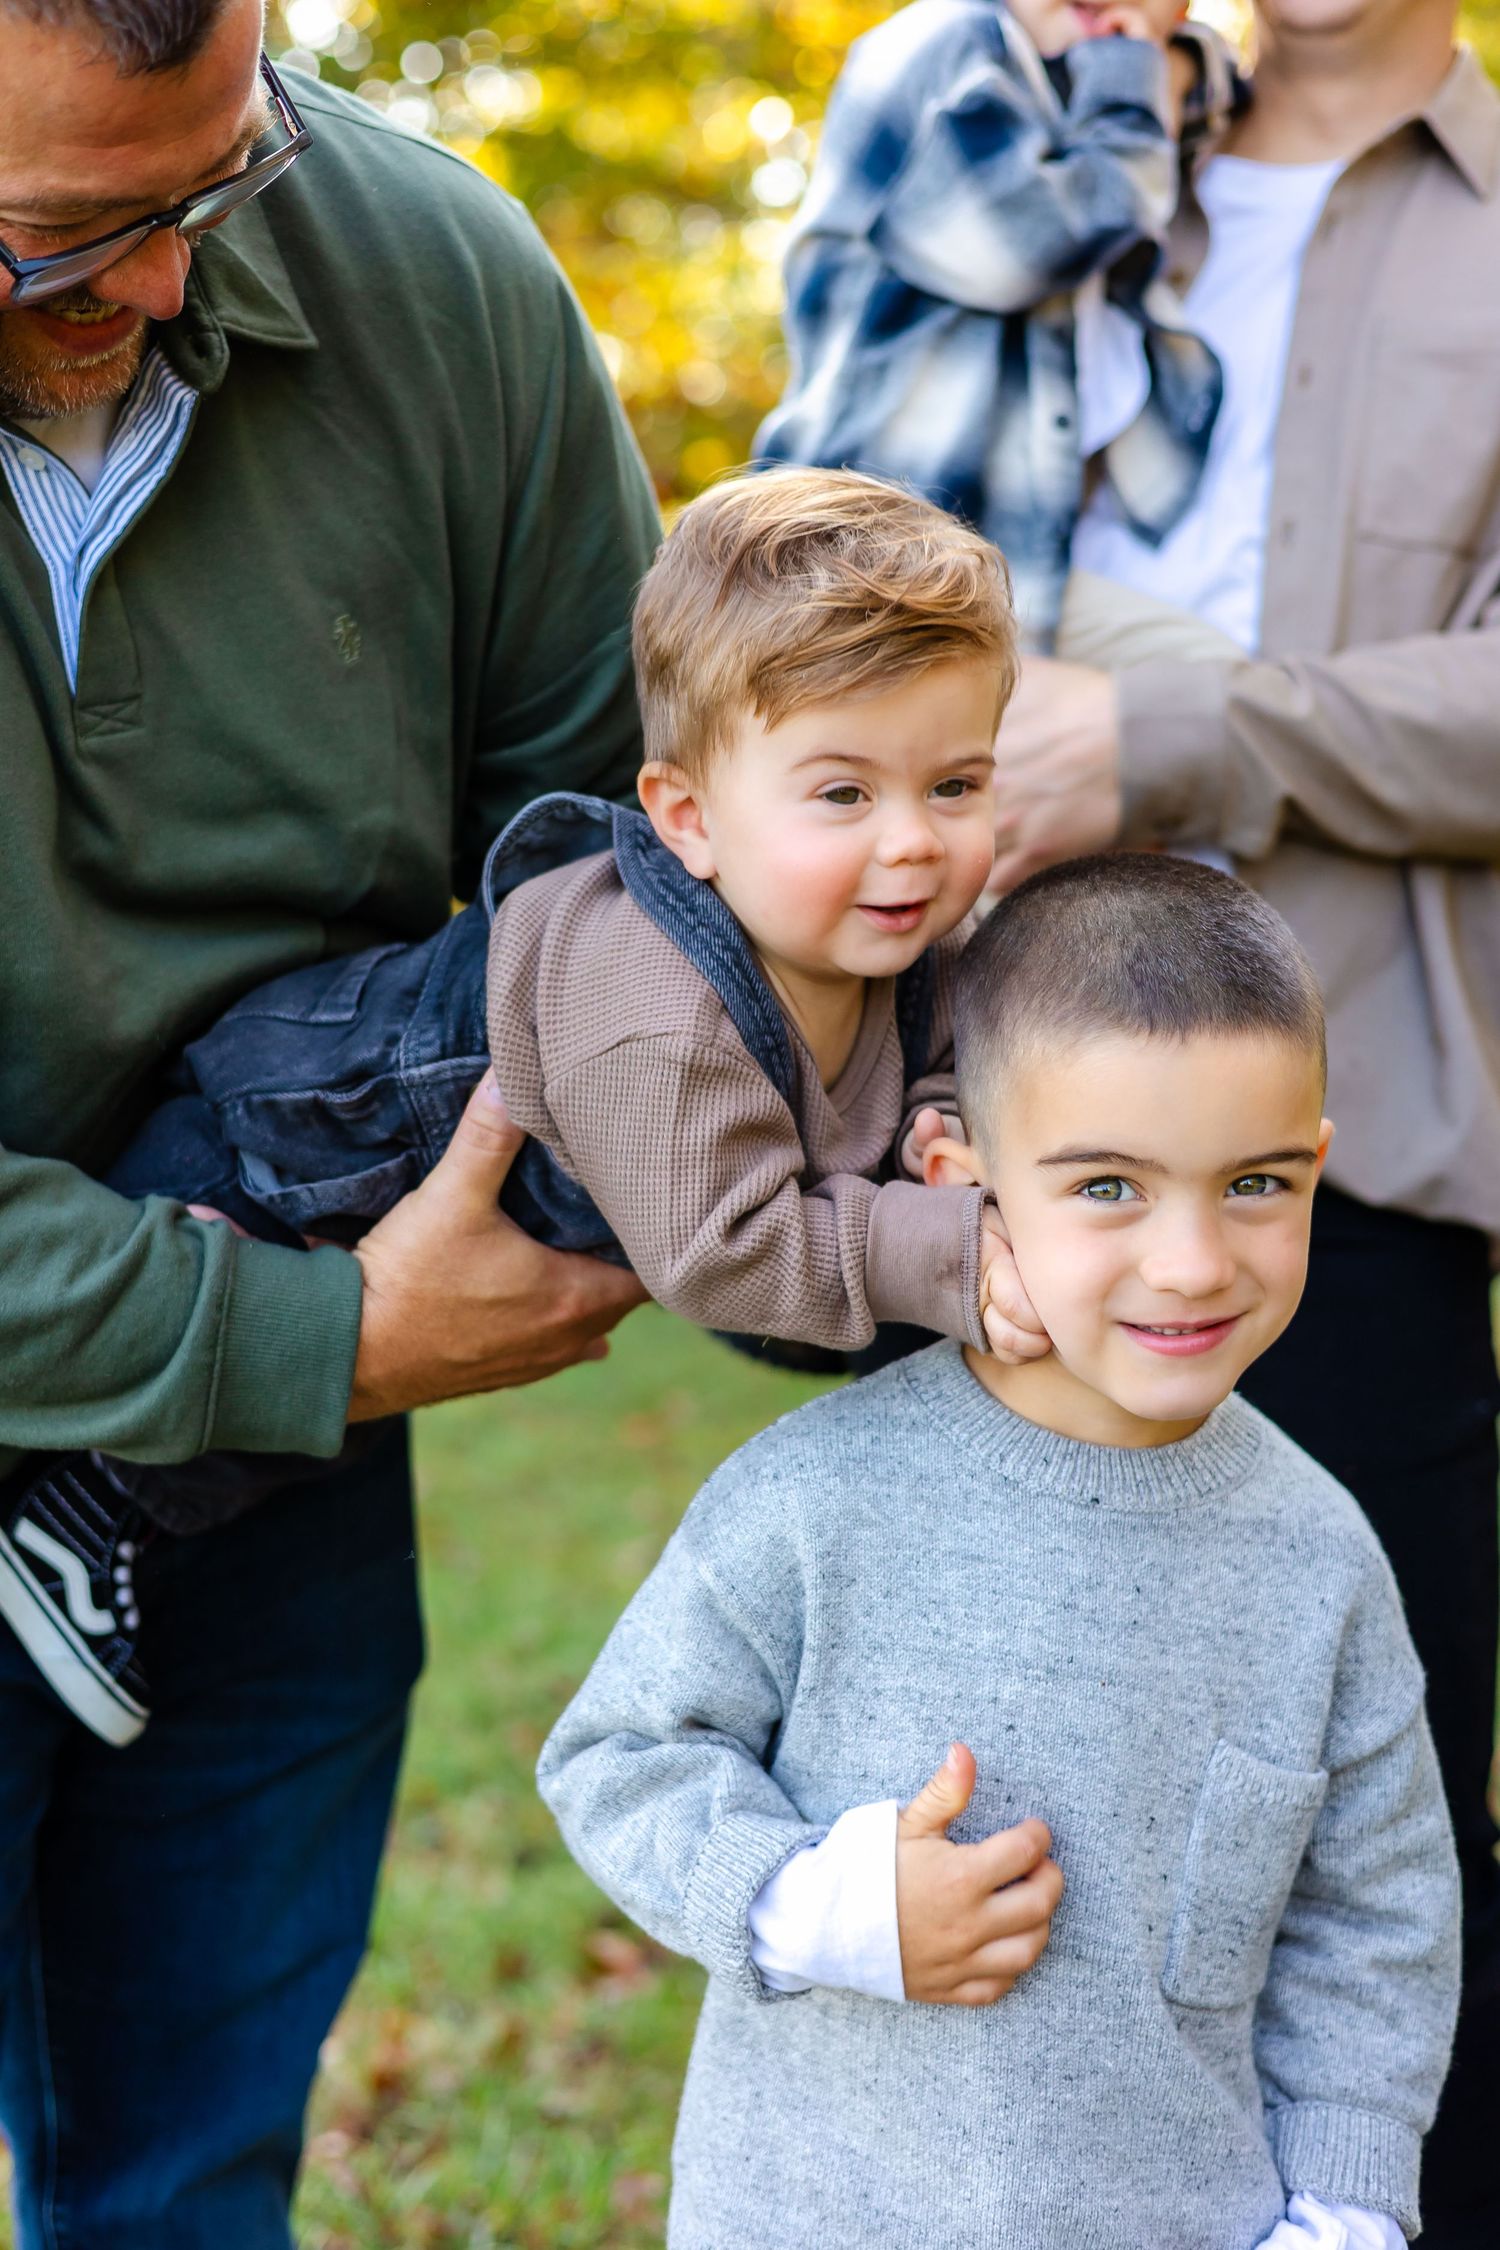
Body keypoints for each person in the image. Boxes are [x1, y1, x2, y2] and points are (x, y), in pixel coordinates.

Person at [0, 0, 657, 2238]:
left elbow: (607, 896)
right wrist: (312, 1341)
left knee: (190, 2183)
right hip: (289, 1343)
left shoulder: (443, 285)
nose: (170, 281)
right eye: (59, 236)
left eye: (219, 183)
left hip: (263, 1500)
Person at [1, 468, 1038, 1746]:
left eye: (955, 787)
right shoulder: (655, 1013)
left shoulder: (888, 928)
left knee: (319, 1394)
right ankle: (79, 1516)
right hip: (288, 1136)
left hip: (454, 1190)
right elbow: (725, 1253)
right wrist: (948, 1253)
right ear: (688, 818)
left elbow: (928, 1047)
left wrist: (943, 1122)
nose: (915, 844)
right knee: (266, 1349)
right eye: (843, 793)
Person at [539, 852, 1460, 2250]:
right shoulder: (818, 1496)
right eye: (1108, 1187)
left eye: (1256, 1182)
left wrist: (1343, 2207)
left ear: (1318, 1166)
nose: (1196, 1259)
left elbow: (1374, 1922)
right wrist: (817, 1904)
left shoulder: (1318, 1554)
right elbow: (617, 1756)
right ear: (958, 1174)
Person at [973, 3, 1500, 2237]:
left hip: (1353, 1163)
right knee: (1019, 1824)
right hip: (985, 1142)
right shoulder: (1020, 162)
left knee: (1367, 1848)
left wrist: (1177, 738)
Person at [754, 0, 1241, 647]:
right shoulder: (944, 44)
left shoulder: (1078, 64)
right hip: (863, 552)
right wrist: (1135, 72)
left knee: (1200, 682)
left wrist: (1172, 61)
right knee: (1191, 677)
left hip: (994, 557)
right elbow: (1035, 244)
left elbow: (1222, 94)